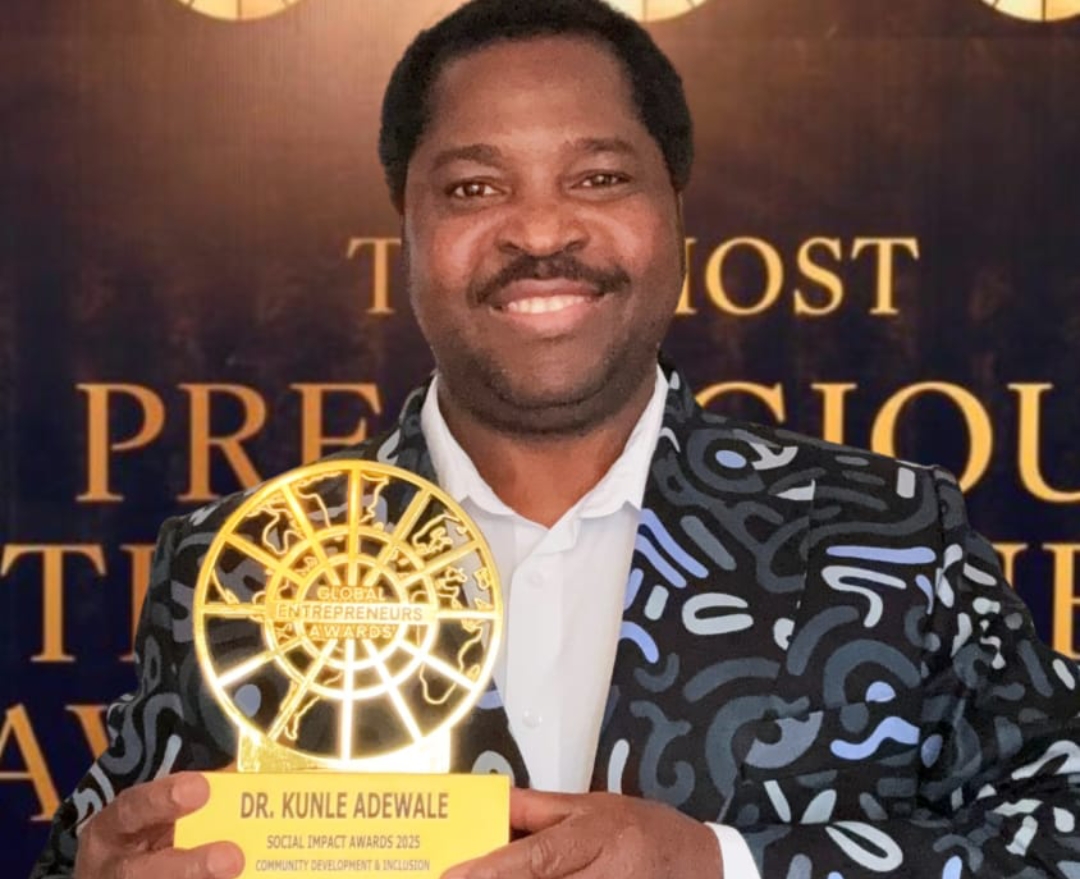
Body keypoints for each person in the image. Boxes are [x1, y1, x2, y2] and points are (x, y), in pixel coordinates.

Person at [31, 1, 1080, 877]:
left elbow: (1059, 831)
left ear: (677, 207)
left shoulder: (892, 533)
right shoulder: (241, 565)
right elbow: (102, 849)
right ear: (404, 226)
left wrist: (724, 863)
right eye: (474, 188)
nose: (539, 232)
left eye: (598, 177)